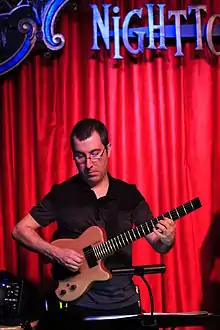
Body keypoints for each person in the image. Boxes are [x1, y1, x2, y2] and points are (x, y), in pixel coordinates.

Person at [12, 118, 176, 329]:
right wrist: (55, 252)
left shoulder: (129, 195)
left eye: (95, 154)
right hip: (76, 306)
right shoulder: (62, 194)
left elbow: (158, 244)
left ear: (108, 149)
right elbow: (20, 230)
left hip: (123, 304)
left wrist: (167, 238)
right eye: (80, 156)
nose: (88, 164)